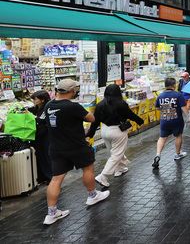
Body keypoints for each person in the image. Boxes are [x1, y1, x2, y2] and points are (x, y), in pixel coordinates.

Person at [41, 79, 110, 225]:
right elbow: (91, 118)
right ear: (72, 91)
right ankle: (92, 195)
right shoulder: (72, 106)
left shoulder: (48, 105)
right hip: (76, 145)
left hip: (56, 147)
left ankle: (51, 213)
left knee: (56, 179)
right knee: (88, 169)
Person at [87, 84, 144, 188]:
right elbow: (130, 115)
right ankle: (103, 176)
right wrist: (140, 121)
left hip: (104, 131)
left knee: (114, 152)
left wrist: (90, 134)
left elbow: (95, 122)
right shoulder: (121, 104)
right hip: (118, 131)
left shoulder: (100, 105)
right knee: (116, 154)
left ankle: (119, 169)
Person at [153, 78, 189, 169]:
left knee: (162, 138)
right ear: (174, 85)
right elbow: (184, 108)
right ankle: (178, 154)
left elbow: (157, 108)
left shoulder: (160, 96)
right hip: (176, 120)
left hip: (164, 120)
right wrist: (189, 117)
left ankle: (158, 155)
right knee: (178, 136)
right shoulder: (178, 95)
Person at [27, 90, 52, 184]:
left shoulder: (47, 107)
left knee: (46, 156)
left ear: (42, 99)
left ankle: (50, 177)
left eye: (35, 99)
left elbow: (41, 120)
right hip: (39, 135)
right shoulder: (38, 107)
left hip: (45, 135)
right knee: (40, 156)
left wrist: (31, 116)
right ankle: (43, 176)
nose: (33, 100)